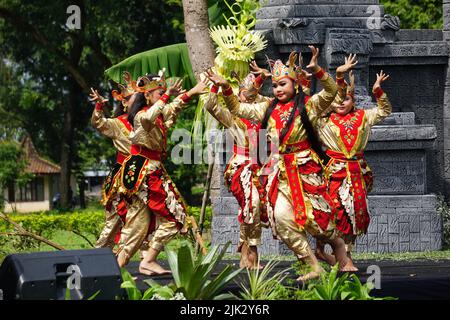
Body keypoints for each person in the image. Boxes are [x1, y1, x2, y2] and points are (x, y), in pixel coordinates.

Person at [208, 46, 349, 281]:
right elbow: (236, 108)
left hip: (305, 169)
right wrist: (224, 86)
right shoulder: (267, 107)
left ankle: (339, 245)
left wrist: (320, 72)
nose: (278, 89)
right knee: (282, 220)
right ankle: (313, 266)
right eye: (274, 86)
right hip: (281, 172)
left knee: (316, 220)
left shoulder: (310, 105)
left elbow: (333, 92)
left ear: (294, 84)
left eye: (282, 84)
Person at [116, 70, 208, 275]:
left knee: (137, 224)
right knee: (174, 218)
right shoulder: (141, 116)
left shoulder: (156, 114)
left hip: (147, 170)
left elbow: (172, 107)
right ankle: (148, 260)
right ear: (147, 95)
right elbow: (152, 114)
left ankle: (115, 268)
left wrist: (191, 92)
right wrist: (168, 96)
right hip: (145, 171)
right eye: (159, 93)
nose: (163, 97)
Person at [316, 67, 392, 271]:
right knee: (334, 212)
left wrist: (377, 90)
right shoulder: (323, 119)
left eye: (346, 100)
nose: (341, 104)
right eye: (338, 101)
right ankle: (324, 249)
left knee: (354, 215)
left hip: (357, 173)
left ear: (353, 101)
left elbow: (384, 111)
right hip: (333, 172)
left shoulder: (363, 116)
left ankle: (346, 255)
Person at [203, 70, 269, 269]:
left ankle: (244, 254)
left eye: (252, 96)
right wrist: (218, 86)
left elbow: (271, 100)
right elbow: (211, 105)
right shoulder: (231, 116)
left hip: (260, 167)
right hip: (240, 167)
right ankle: (253, 254)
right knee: (253, 203)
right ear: (237, 94)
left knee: (251, 209)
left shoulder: (261, 113)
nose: (248, 99)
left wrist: (261, 78)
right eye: (244, 95)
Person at [89, 72, 135, 250]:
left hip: (144, 175)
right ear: (124, 102)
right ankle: (97, 258)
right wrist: (99, 104)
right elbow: (98, 123)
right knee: (114, 221)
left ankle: (146, 261)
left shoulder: (144, 121)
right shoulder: (117, 123)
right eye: (132, 99)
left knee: (143, 221)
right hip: (122, 178)